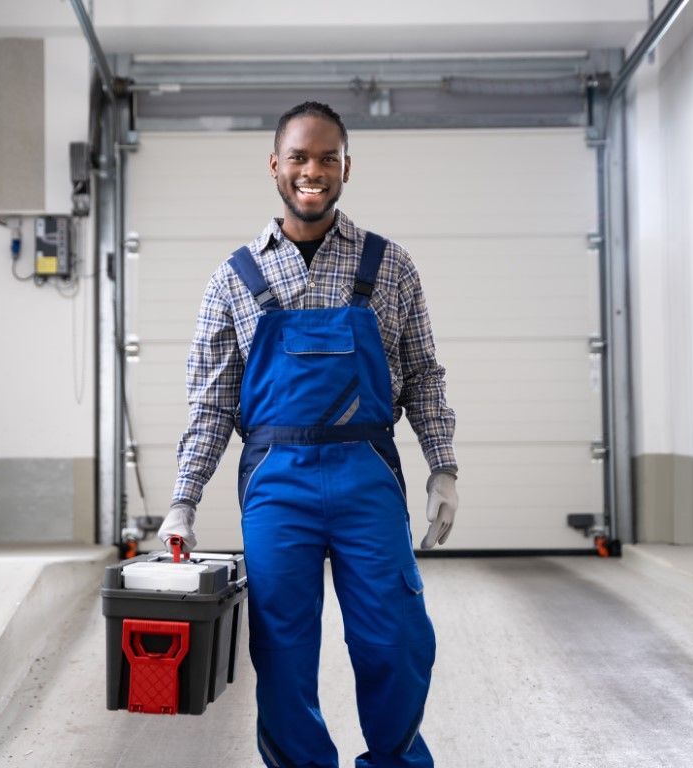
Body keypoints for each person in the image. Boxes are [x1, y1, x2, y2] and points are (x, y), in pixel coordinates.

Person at [160, 101, 458, 768]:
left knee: (396, 635)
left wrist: (444, 468)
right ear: (275, 165)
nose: (312, 171)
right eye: (299, 157)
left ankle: (396, 760)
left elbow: (424, 375)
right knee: (283, 647)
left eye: (327, 158)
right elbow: (210, 406)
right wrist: (183, 499)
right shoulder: (234, 279)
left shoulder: (391, 266)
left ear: (346, 166)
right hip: (277, 481)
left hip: (366, 475)